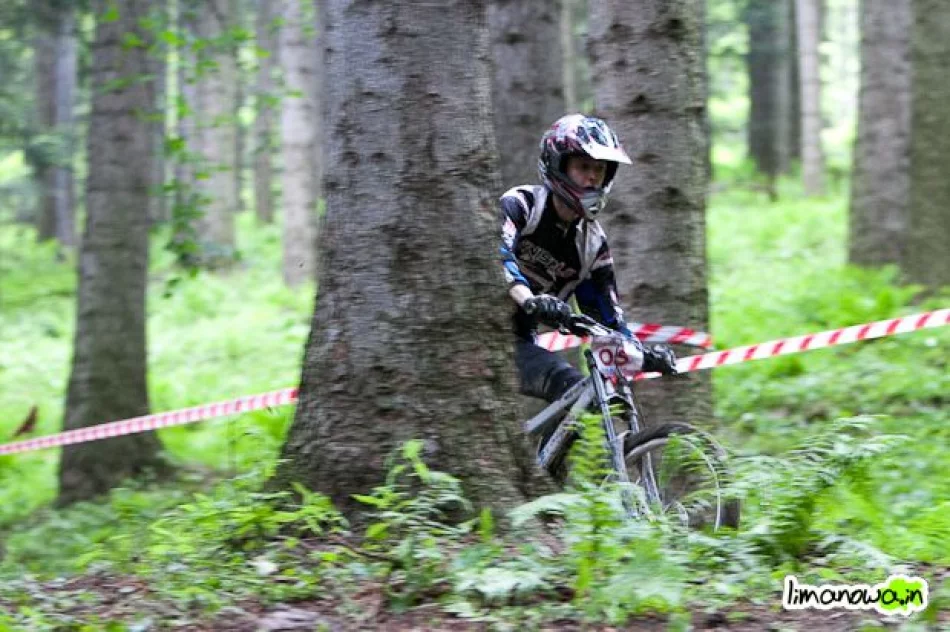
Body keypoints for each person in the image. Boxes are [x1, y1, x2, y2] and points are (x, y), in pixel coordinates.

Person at [498, 114, 678, 470]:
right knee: (566, 385)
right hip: (472, 331)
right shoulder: (522, 204)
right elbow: (496, 253)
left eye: (600, 169)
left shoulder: (591, 243)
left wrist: (641, 354)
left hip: (514, 342)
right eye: (583, 167)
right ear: (558, 164)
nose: (593, 177)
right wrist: (529, 299)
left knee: (576, 392)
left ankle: (540, 479)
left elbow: (607, 318)